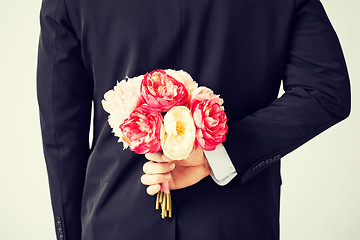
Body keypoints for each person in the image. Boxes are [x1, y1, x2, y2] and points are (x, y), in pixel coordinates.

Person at [36, 0, 350, 239]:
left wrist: (70, 233)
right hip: (239, 223)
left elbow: (60, 133)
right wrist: (220, 155)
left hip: (117, 218)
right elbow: (324, 91)